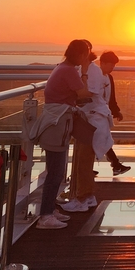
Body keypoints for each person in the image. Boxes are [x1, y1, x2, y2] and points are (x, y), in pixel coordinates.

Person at [36, 40, 90, 229]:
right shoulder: (69, 70)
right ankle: (45, 216)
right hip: (57, 124)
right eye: (87, 54)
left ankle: (49, 209)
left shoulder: (62, 67)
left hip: (56, 121)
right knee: (56, 171)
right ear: (81, 54)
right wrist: (85, 71)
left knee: (56, 170)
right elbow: (83, 93)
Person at [63, 45, 114, 212]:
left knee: (84, 159)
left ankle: (82, 199)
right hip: (90, 117)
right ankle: (88, 196)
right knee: (84, 158)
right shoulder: (91, 70)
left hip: (92, 119)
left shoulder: (92, 71)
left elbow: (87, 93)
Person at [101, 51, 130, 175]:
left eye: (113, 65)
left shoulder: (109, 77)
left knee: (102, 139)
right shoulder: (96, 77)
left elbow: (111, 98)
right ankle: (116, 164)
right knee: (103, 139)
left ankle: (116, 164)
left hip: (103, 113)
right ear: (102, 63)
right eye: (110, 64)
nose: (112, 67)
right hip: (97, 114)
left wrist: (116, 111)